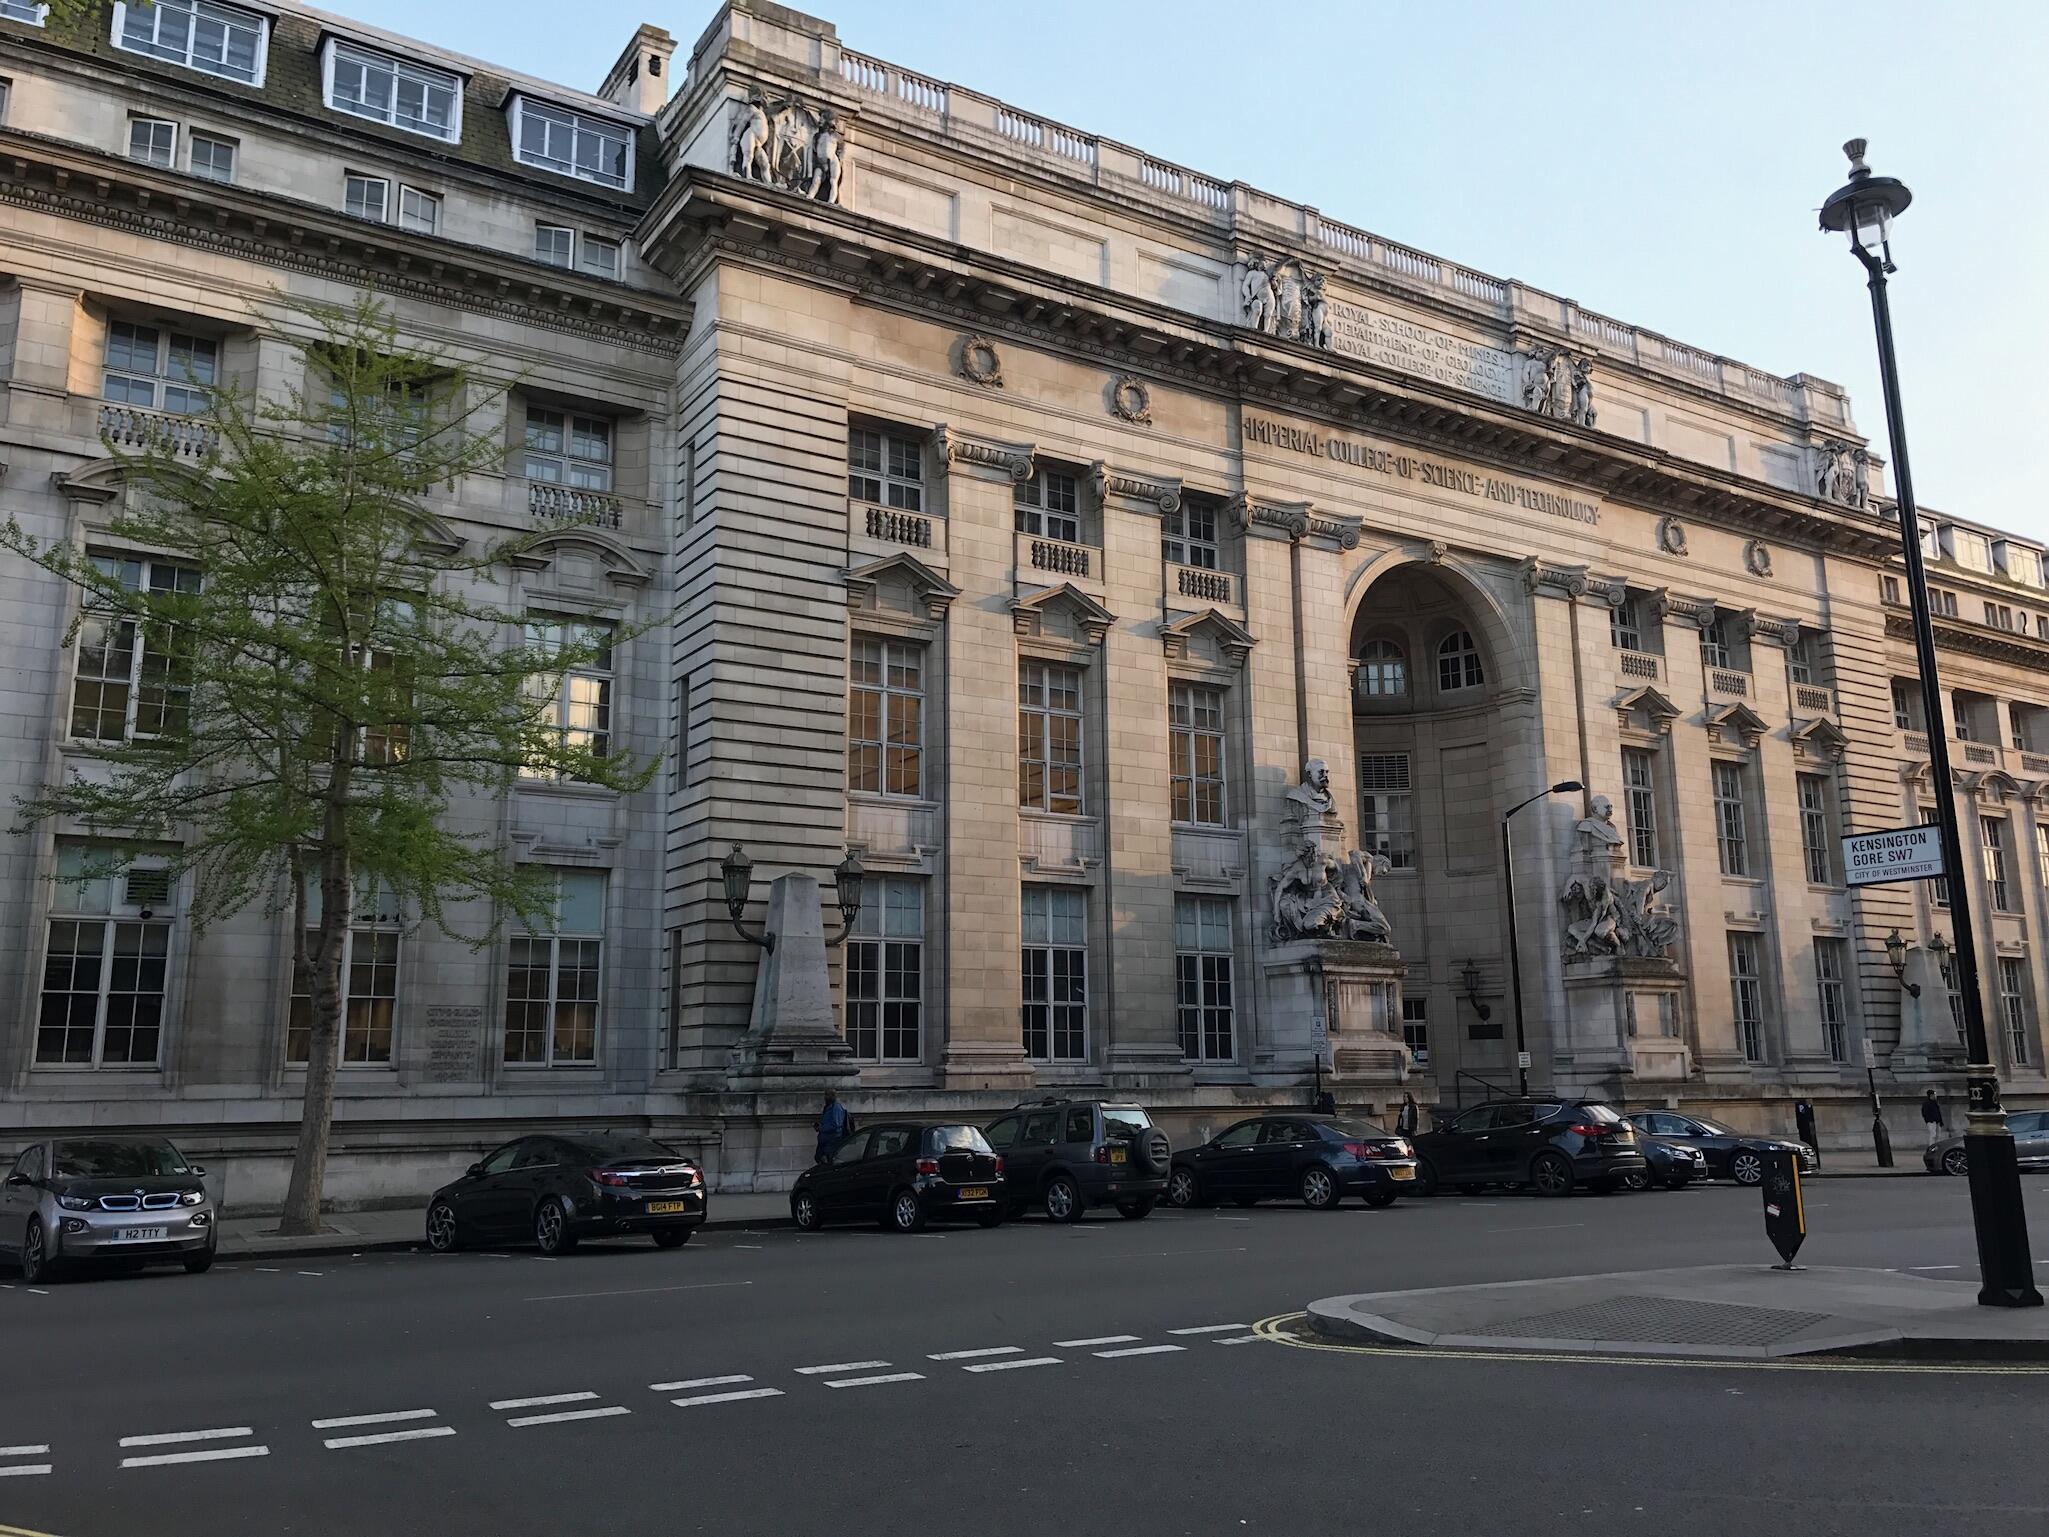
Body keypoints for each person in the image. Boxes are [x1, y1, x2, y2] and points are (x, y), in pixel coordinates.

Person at [814, 1091, 852, 1165]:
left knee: (827, 1160)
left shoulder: (836, 1108)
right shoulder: (828, 1107)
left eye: (827, 1095)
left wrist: (821, 1128)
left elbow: (836, 1125)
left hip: (832, 1141)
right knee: (819, 1157)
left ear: (832, 1096)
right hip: (825, 1141)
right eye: (825, 1095)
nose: (825, 1097)